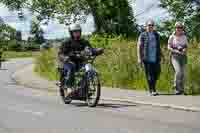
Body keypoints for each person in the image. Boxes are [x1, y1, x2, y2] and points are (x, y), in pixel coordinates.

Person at [58, 23, 103, 99]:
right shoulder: (67, 42)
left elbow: (90, 49)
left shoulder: (84, 42)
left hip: (80, 62)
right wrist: (65, 57)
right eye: (75, 32)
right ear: (71, 33)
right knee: (71, 67)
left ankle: (84, 89)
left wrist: (98, 51)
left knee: (87, 68)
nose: (77, 33)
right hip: (69, 62)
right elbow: (60, 53)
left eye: (78, 31)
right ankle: (69, 87)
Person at [137, 19, 162, 96]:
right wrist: (139, 57)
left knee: (157, 73)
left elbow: (158, 46)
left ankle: (153, 88)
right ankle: (152, 90)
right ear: (146, 26)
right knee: (149, 75)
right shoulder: (142, 35)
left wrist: (162, 55)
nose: (150, 27)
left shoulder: (156, 34)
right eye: (149, 25)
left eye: (152, 25)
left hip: (156, 57)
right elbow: (139, 46)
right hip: (146, 58)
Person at [168, 22, 188, 95]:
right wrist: (175, 50)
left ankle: (181, 89)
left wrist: (184, 49)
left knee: (183, 73)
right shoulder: (172, 37)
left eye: (180, 27)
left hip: (183, 56)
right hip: (175, 56)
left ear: (182, 28)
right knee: (178, 71)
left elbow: (186, 45)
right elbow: (169, 47)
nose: (179, 29)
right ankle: (176, 87)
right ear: (175, 28)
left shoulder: (184, 37)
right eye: (177, 27)